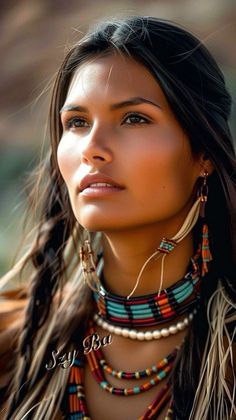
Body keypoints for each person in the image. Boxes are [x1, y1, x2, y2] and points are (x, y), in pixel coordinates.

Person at [0, 16, 235, 420]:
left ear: (204, 154)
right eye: (76, 122)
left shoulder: (227, 358)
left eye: (134, 118)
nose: (92, 148)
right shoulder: (16, 345)